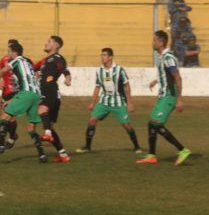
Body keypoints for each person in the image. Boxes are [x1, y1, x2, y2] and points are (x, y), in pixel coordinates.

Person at [0, 42, 54, 163]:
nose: (8, 54)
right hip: (36, 95)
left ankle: (1, 145)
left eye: (9, 51)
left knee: (4, 117)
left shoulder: (16, 60)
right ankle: (42, 155)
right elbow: (30, 81)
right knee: (31, 128)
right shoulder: (28, 63)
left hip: (27, 94)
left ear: (14, 52)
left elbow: (3, 71)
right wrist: (12, 100)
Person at [136, 31, 192, 166]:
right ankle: (151, 156)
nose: (152, 43)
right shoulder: (163, 58)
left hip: (169, 96)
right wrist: (157, 80)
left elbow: (177, 77)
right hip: (163, 96)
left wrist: (179, 99)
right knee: (152, 124)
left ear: (161, 42)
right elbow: (167, 74)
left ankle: (182, 150)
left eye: (154, 40)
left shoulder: (168, 58)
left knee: (156, 123)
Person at [76, 48, 142, 155]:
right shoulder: (99, 71)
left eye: (105, 55)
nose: (102, 57)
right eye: (101, 55)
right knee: (92, 120)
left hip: (118, 102)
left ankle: (137, 146)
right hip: (104, 101)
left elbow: (126, 85)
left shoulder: (119, 69)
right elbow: (97, 87)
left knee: (126, 125)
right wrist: (92, 103)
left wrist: (129, 102)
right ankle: (87, 147)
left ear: (110, 57)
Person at [34, 36, 71, 161]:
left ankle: (47, 134)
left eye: (49, 42)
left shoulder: (57, 58)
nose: (46, 43)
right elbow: (33, 68)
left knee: (41, 110)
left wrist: (67, 77)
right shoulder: (45, 61)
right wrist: (36, 74)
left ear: (56, 45)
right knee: (49, 125)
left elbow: (63, 68)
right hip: (47, 92)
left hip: (51, 91)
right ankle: (63, 155)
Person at [0, 39, 20, 148]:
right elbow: (0, 69)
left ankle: (9, 138)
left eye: (10, 49)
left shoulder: (19, 61)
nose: (8, 52)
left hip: (15, 91)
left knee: (10, 117)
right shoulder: (4, 59)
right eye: (8, 48)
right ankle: (13, 135)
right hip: (5, 92)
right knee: (4, 117)